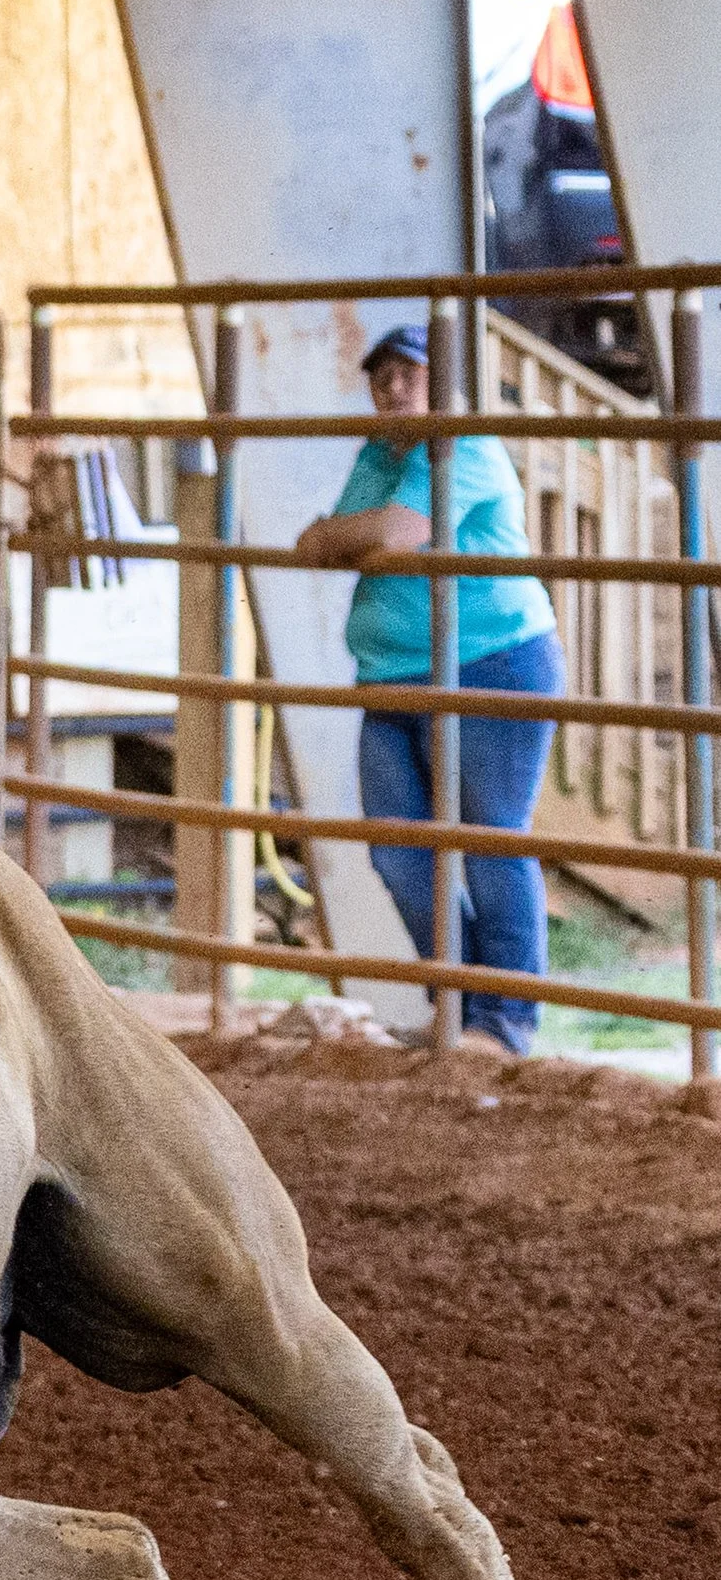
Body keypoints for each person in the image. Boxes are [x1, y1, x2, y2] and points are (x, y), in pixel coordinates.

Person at [294, 322, 563, 1056]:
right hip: (390, 674)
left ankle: (503, 1023)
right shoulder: (380, 454)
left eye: (410, 374)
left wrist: (349, 538)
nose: (393, 389)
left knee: (488, 840)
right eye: (382, 378)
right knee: (399, 850)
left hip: (490, 661)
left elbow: (395, 532)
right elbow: (316, 542)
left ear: (445, 382)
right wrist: (353, 539)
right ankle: (464, 1007)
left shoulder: (464, 443)